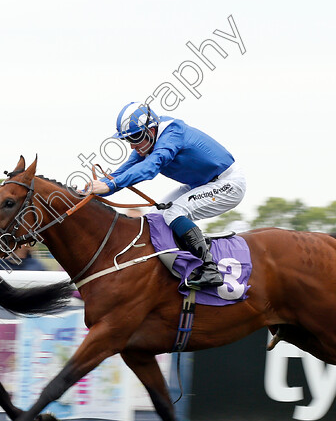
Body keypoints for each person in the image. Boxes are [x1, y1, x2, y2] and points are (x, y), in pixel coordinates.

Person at [84, 102, 246, 289]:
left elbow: (151, 167)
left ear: (151, 130)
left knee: (173, 212)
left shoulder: (172, 135)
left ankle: (210, 269)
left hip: (228, 183)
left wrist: (110, 184)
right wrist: (90, 191)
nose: (132, 146)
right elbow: (122, 172)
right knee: (153, 217)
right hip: (201, 184)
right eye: (128, 140)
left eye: (135, 137)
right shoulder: (148, 143)